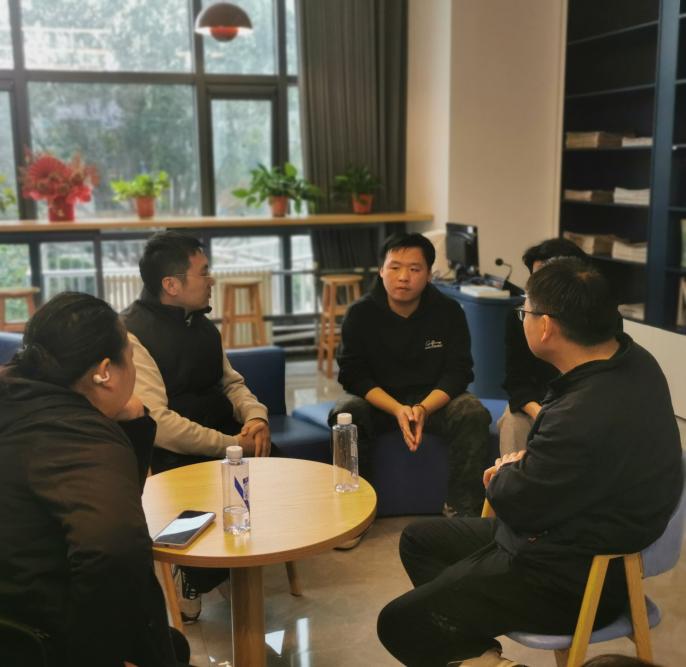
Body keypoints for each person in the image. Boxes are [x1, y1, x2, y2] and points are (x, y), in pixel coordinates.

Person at [377, 258, 683, 667]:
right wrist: (533, 465)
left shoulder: (580, 412)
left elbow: (515, 503)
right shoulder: (635, 360)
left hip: (572, 577)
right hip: (575, 535)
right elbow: (572, 465)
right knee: (419, 541)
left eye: (525, 311)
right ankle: (479, 653)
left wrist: (508, 472)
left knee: (399, 623)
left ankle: (479, 649)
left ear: (546, 327)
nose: (522, 318)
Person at [0, 292, 191, 667]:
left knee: (175, 645)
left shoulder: (19, 400)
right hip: (46, 638)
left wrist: (134, 424)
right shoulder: (82, 437)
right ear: (104, 371)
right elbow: (115, 550)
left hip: (13, 622)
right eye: (130, 357)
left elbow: (104, 502)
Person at [121, 230, 271, 622]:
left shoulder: (202, 325)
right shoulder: (132, 334)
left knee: (277, 473)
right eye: (203, 272)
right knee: (197, 486)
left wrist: (255, 417)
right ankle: (190, 571)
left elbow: (232, 384)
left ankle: (240, 565)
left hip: (225, 436)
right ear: (171, 285)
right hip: (173, 452)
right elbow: (161, 424)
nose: (212, 280)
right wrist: (231, 445)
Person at [332, 232, 492, 518]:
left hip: (432, 402)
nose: (403, 277)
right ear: (381, 270)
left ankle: (462, 511)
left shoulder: (448, 311)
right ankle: (354, 511)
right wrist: (397, 409)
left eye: (414, 269)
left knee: (472, 412)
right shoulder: (360, 314)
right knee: (347, 413)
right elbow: (353, 374)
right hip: (380, 403)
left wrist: (422, 409)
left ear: (429, 274)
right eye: (394, 267)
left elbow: (458, 371)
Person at [499, 237, 588, 455]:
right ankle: (510, 476)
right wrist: (539, 413)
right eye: (535, 278)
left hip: (581, 405)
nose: (539, 289)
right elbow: (516, 381)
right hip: (537, 405)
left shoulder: (594, 320)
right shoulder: (522, 317)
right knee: (513, 422)